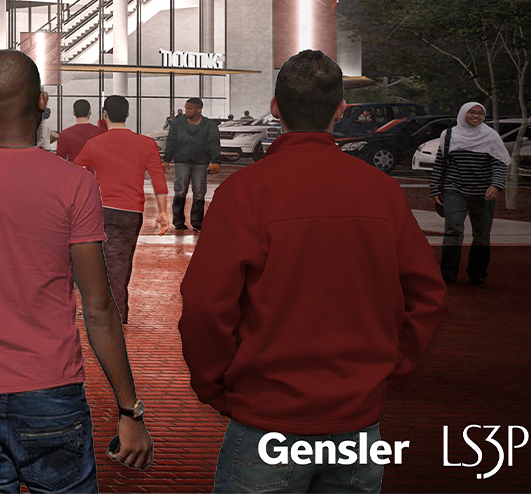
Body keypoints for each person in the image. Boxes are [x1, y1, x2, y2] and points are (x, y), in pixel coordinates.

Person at [180, 50, 446, 492]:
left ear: (275, 107)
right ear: (341, 109)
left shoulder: (245, 192)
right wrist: (385, 372)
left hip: (269, 417)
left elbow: (206, 307)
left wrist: (215, 386)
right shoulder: (381, 191)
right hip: (356, 420)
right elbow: (429, 297)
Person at [0, 50, 151, 489]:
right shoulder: (74, 183)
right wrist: (129, 409)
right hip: (51, 385)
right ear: (42, 101)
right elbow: (99, 308)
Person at [70, 95, 168, 324]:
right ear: (128, 113)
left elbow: (75, 171)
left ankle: (109, 313)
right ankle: (117, 312)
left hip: (103, 210)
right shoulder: (146, 144)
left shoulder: (94, 144)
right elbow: (158, 180)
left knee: (107, 263)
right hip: (132, 213)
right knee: (122, 263)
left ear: (104, 115)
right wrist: (163, 213)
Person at [429, 101, 509, 285]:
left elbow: (499, 163)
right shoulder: (449, 135)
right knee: (453, 229)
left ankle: (477, 273)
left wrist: (496, 186)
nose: (476, 116)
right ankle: (448, 272)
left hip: (483, 192)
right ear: (463, 113)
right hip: (454, 189)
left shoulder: (491, 136)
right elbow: (440, 163)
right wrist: (435, 188)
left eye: (480, 113)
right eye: (471, 112)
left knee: (482, 233)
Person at [162, 97, 222, 232]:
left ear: (198, 109)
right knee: (180, 190)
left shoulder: (209, 125)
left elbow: (214, 144)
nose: (186, 111)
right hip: (181, 161)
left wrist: (216, 162)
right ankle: (178, 222)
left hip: (201, 163)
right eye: (186, 108)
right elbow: (171, 141)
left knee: (199, 192)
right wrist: (167, 159)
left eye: (189, 108)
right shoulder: (177, 123)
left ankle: (197, 222)